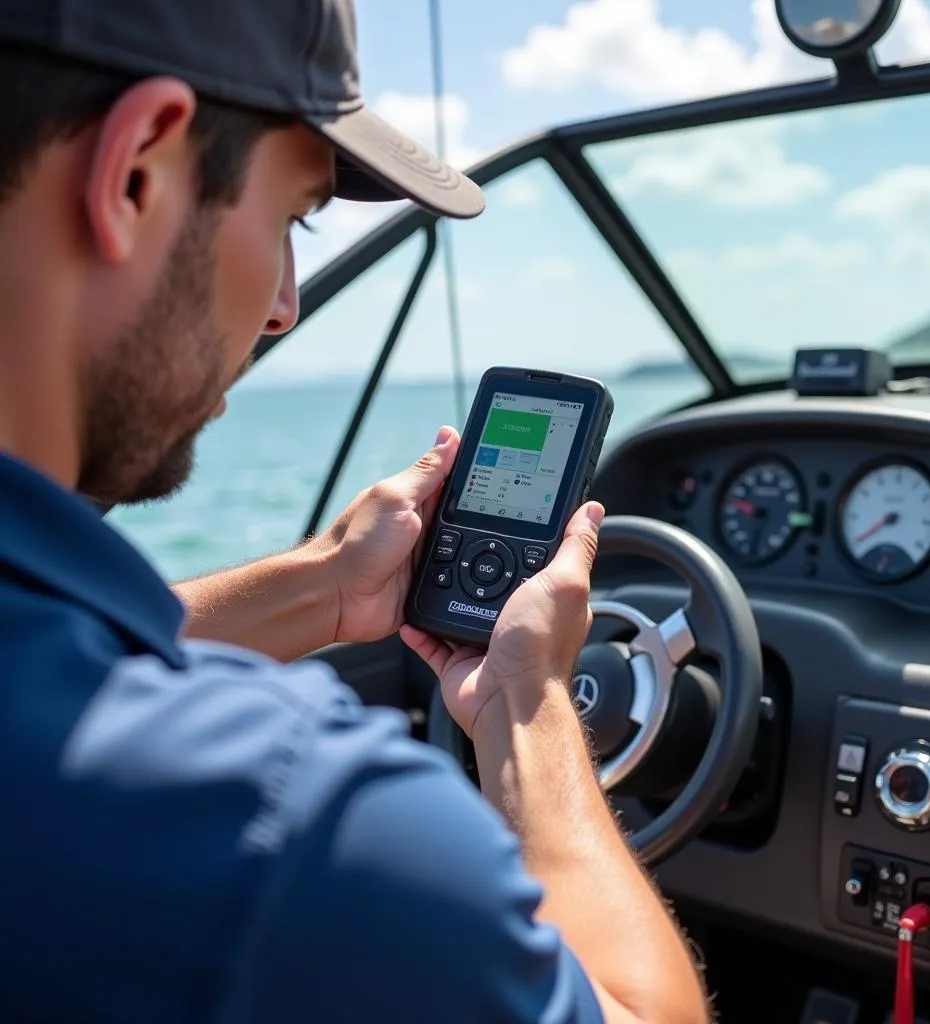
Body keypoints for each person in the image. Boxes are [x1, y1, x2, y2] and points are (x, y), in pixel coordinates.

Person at [0, 0, 710, 1021]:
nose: (285, 302)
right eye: (292, 218)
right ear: (136, 172)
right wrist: (529, 708)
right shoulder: (284, 817)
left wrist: (328, 586)